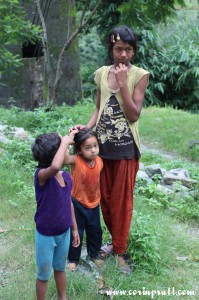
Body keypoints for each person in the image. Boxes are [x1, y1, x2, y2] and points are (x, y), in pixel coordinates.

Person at [74, 25, 150, 274]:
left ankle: (120, 251)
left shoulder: (140, 75)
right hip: (101, 150)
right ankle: (114, 243)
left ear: (134, 51)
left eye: (129, 50)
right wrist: (85, 129)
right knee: (104, 200)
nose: (124, 55)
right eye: (119, 49)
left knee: (122, 202)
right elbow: (99, 108)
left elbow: (134, 114)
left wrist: (123, 84)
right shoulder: (101, 74)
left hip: (126, 151)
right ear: (111, 49)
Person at [31, 132, 80, 300]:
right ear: (55, 157)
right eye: (64, 148)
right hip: (46, 235)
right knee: (44, 274)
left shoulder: (66, 177)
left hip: (64, 232)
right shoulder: (41, 176)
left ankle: (62, 297)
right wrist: (65, 141)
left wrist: (74, 228)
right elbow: (55, 167)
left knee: (60, 268)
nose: (67, 150)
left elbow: (69, 203)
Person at [66, 128, 104, 272]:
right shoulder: (76, 160)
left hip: (94, 202)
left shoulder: (99, 161)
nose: (93, 150)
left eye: (95, 146)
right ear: (80, 150)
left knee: (95, 230)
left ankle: (94, 254)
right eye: (88, 148)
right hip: (77, 203)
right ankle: (73, 258)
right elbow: (63, 159)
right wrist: (70, 139)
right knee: (77, 232)